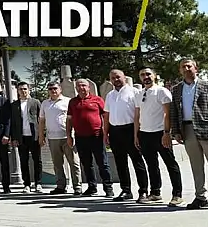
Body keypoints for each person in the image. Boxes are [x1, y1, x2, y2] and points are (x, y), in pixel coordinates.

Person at [170, 58, 208, 211]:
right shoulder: (176, 89)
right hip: (187, 130)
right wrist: (176, 131)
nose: (186, 69)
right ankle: (201, 197)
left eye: (189, 66)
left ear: (196, 68)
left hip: (207, 131)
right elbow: (174, 112)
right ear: (180, 70)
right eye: (183, 67)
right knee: (196, 167)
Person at [135, 68, 183, 207]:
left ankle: (177, 194)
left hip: (160, 133)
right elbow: (137, 116)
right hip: (144, 134)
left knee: (170, 164)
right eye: (142, 75)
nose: (146, 77)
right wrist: (136, 135)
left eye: (148, 74)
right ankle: (155, 192)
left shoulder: (162, 91)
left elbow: (168, 114)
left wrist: (167, 133)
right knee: (151, 165)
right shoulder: (139, 94)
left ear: (155, 76)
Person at [103, 70, 149, 202]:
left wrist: (137, 134)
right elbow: (107, 115)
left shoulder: (134, 92)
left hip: (130, 130)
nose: (116, 80)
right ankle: (126, 190)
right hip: (115, 131)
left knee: (137, 161)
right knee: (120, 163)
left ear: (124, 77)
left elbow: (139, 114)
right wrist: (105, 133)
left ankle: (143, 191)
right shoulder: (110, 95)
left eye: (118, 77)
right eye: (113, 78)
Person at [67, 79, 114, 197]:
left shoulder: (97, 100)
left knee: (102, 163)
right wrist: (69, 136)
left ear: (89, 87)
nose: (81, 88)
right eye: (78, 86)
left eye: (83, 85)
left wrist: (106, 133)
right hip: (80, 137)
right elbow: (69, 120)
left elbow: (105, 116)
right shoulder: (73, 102)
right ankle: (92, 187)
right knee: (86, 164)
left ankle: (108, 188)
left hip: (96, 136)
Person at [39, 82, 81, 195]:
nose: (53, 91)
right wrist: (41, 135)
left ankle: (77, 186)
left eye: (55, 88)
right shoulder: (45, 103)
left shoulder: (68, 101)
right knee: (57, 164)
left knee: (74, 163)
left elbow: (73, 118)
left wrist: (72, 135)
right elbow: (42, 120)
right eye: (50, 89)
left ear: (60, 89)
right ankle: (60, 186)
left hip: (67, 136)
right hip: (52, 137)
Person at [10, 82, 43, 193]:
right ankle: (27, 184)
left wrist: (42, 135)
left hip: (34, 136)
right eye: (20, 89)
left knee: (37, 160)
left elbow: (41, 119)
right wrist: (14, 138)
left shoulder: (35, 102)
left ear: (29, 90)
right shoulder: (14, 105)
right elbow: (13, 123)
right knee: (23, 161)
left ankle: (38, 183)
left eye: (25, 89)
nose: (23, 91)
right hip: (21, 137)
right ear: (17, 91)